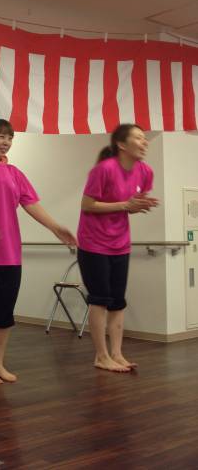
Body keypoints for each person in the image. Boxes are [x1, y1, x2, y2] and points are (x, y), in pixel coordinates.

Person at [0, 118, 76, 385]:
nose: (6, 142)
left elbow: (31, 204)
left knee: (4, 313)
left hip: (10, 255)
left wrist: (56, 228)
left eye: (10, 138)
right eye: (1, 136)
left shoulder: (13, 172)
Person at [77, 124, 158, 372]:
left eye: (145, 138)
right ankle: (101, 356)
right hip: (93, 243)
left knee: (118, 302)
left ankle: (117, 354)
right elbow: (87, 205)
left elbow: (130, 205)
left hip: (120, 245)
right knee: (100, 300)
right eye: (138, 138)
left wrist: (136, 206)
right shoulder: (104, 169)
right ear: (122, 144)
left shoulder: (145, 171)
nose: (144, 142)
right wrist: (125, 205)